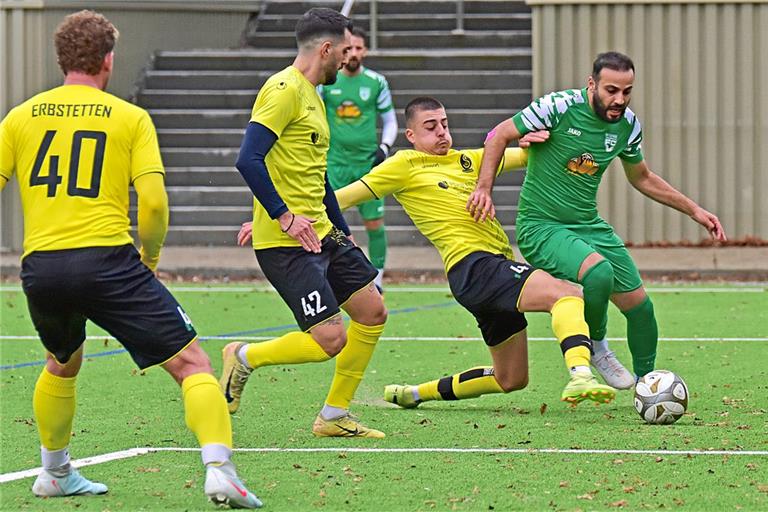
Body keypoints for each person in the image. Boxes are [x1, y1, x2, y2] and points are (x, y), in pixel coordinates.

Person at [0, 10, 261, 508]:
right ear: (108, 59)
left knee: (61, 360)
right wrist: (151, 256)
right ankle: (221, 470)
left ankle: (54, 472)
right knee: (192, 363)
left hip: (42, 267)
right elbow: (156, 205)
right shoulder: (129, 117)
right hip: (107, 261)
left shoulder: (20, 115)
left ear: (62, 60)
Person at [334, 96, 616, 408]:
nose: (441, 132)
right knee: (567, 295)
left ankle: (413, 394)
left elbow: (525, 156)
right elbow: (343, 198)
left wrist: (535, 142)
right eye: (430, 127)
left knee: (511, 378)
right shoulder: (403, 165)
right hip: (474, 266)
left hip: (484, 272)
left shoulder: (468, 159)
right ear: (411, 135)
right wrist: (291, 212)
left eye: (444, 124)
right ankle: (581, 374)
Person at [467, 51, 726, 389]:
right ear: (592, 85)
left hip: (588, 225)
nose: (619, 99)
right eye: (611, 90)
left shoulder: (628, 125)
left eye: (627, 91)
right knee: (598, 271)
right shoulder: (557, 107)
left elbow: (642, 177)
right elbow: (498, 134)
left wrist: (695, 210)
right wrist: (484, 188)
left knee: (641, 309)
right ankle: (597, 346)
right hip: (541, 226)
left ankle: (648, 385)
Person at [225, 8, 388, 438]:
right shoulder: (283, 90)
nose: (348, 59)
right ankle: (244, 357)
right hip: (288, 243)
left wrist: (342, 229)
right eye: (344, 51)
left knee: (372, 311)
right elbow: (248, 158)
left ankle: (334, 416)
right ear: (327, 49)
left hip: (324, 233)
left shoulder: (314, 94)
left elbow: (312, 173)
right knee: (330, 339)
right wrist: (279, 214)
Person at [319, 27, 398, 291]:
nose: (353, 53)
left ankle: (376, 279)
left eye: (359, 48)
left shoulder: (377, 82)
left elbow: (390, 121)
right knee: (327, 223)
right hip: (335, 164)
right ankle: (328, 274)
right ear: (342, 49)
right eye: (349, 48)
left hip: (367, 165)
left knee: (374, 224)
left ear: (365, 51)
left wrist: (384, 147)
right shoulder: (327, 82)